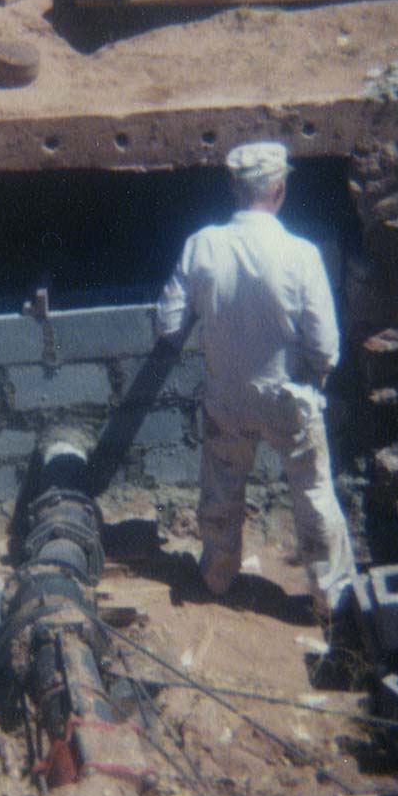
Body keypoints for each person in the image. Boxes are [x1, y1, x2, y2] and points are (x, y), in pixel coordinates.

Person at [155, 138, 356, 618]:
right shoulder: (301, 254)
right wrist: (313, 376)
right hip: (286, 395)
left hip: (227, 396)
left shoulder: (202, 245)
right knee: (312, 491)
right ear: (279, 189)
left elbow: (168, 325)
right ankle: (331, 597)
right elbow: (326, 347)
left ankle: (217, 576)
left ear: (233, 186)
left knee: (221, 487)